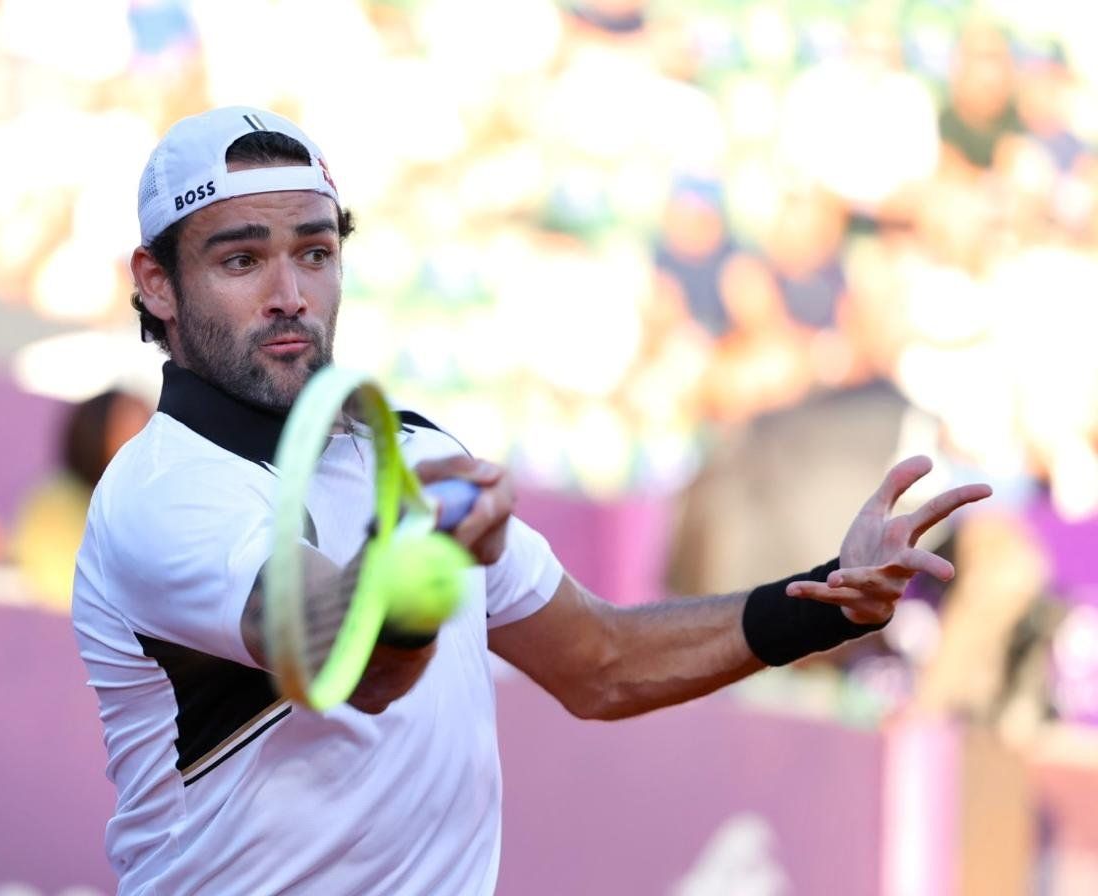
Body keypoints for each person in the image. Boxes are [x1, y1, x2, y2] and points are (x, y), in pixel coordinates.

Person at [71, 107, 992, 895]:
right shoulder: (161, 495)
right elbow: (357, 663)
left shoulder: (420, 457)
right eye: (241, 262)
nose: (289, 295)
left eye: (315, 253)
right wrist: (423, 564)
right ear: (157, 282)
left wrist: (824, 601)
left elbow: (600, 662)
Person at [11, 388, 151, 610]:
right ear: (95, 434)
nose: (151, 441)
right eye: (135, 427)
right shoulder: (57, 503)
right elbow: (67, 587)